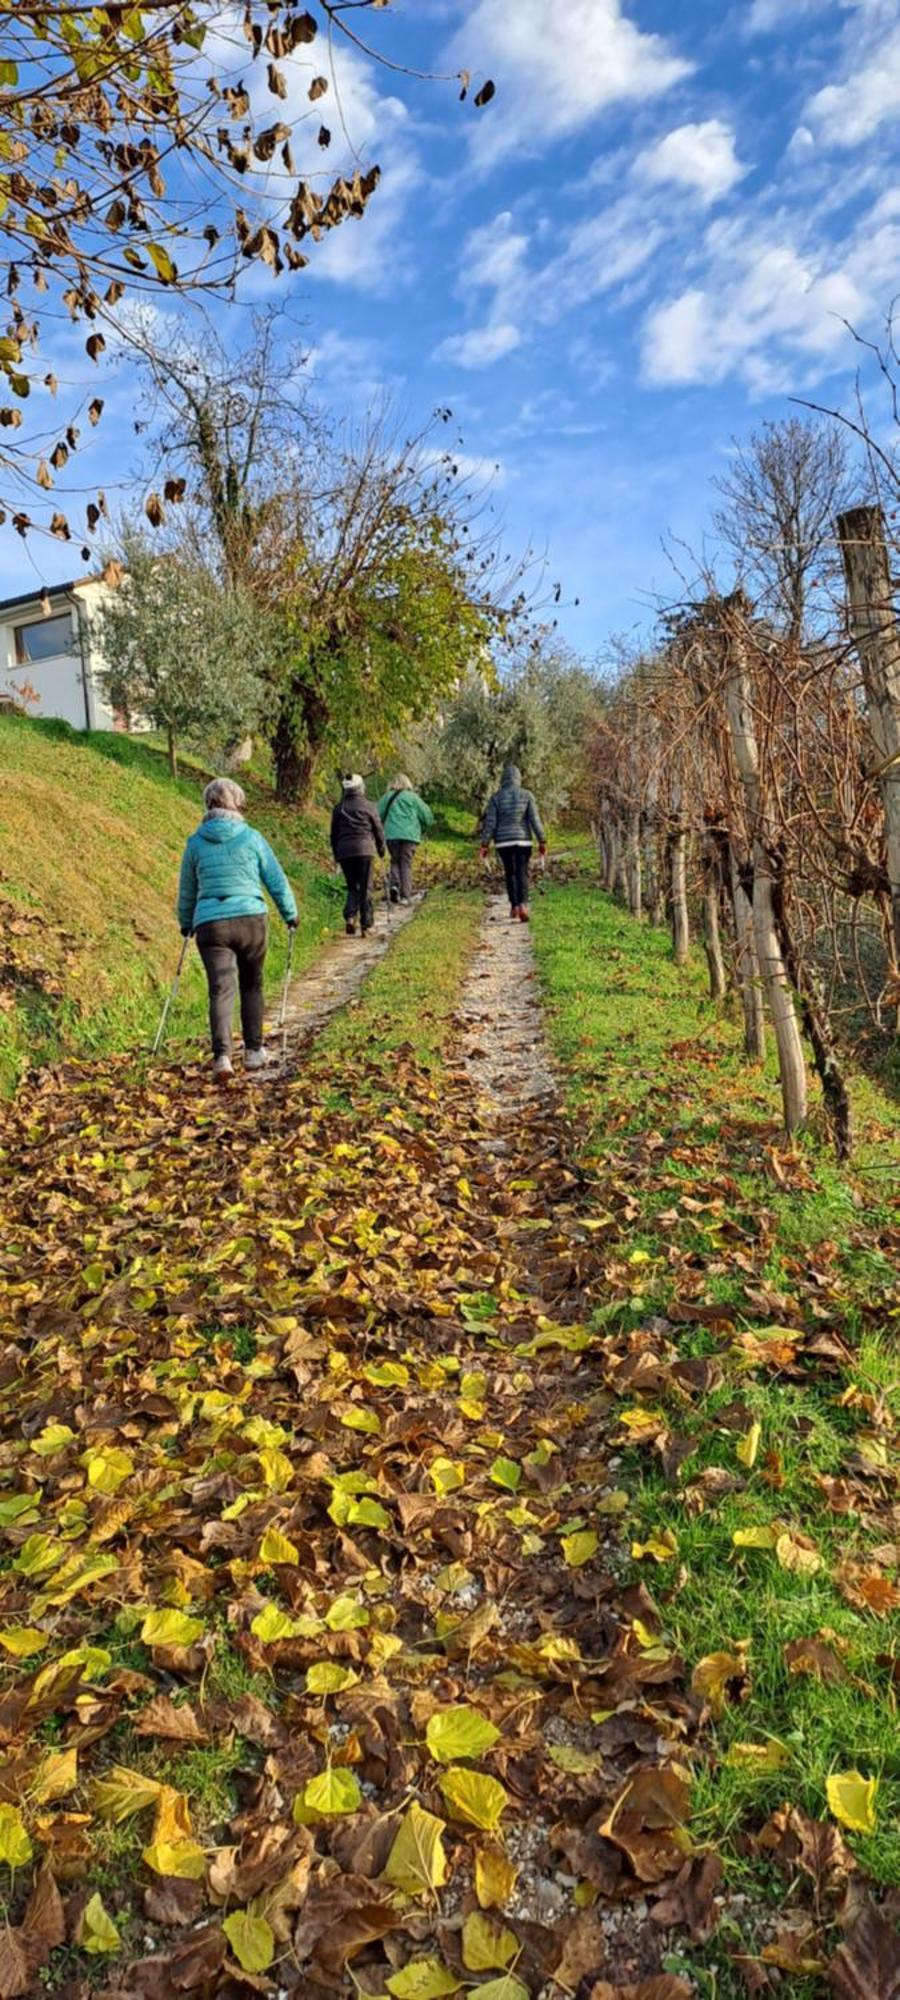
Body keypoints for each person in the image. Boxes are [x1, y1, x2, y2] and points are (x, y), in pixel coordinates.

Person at [177, 776, 297, 1081]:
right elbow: (275, 878)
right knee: (252, 985)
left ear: (208, 805)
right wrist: (290, 913)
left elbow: (188, 889)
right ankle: (254, 1052)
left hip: (211, 924)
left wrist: (186, 922)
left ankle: (222, 1058)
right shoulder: (251, 837)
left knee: (220, 989)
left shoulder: (195, 842)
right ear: (236, 804)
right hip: (250, 920)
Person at [480, 762, 546, 921]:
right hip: (523, 841)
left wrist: (484, 844)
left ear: (503, 779)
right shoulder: (527, 795)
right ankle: (523, 904)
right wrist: (542, 840)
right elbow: (534, 820)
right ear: (518, 779)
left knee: (510, 873)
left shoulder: (496, 798)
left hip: (503, 842)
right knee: (522, 872)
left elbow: (491, 824)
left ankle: (514, 906)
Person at [330, 773, 386, 937]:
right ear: (360, 788)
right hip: (365, 851)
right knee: (365, 888)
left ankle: (350, 917)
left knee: (352, 886)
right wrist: (381, 849)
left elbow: (334, 834)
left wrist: (336, 855)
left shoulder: (338, 808)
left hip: (345, 852)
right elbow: (378, 829)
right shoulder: (369, 806)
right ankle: (366, 925)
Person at [377, 773, 434, 904]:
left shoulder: (386, 798)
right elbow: (428, 816)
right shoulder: (413, 798)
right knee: (406, 863)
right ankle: (405, 896)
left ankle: (394, 886)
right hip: (410, 836)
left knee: (395, 860)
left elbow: (376, 814)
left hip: (392, 835)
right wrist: (424, 826)